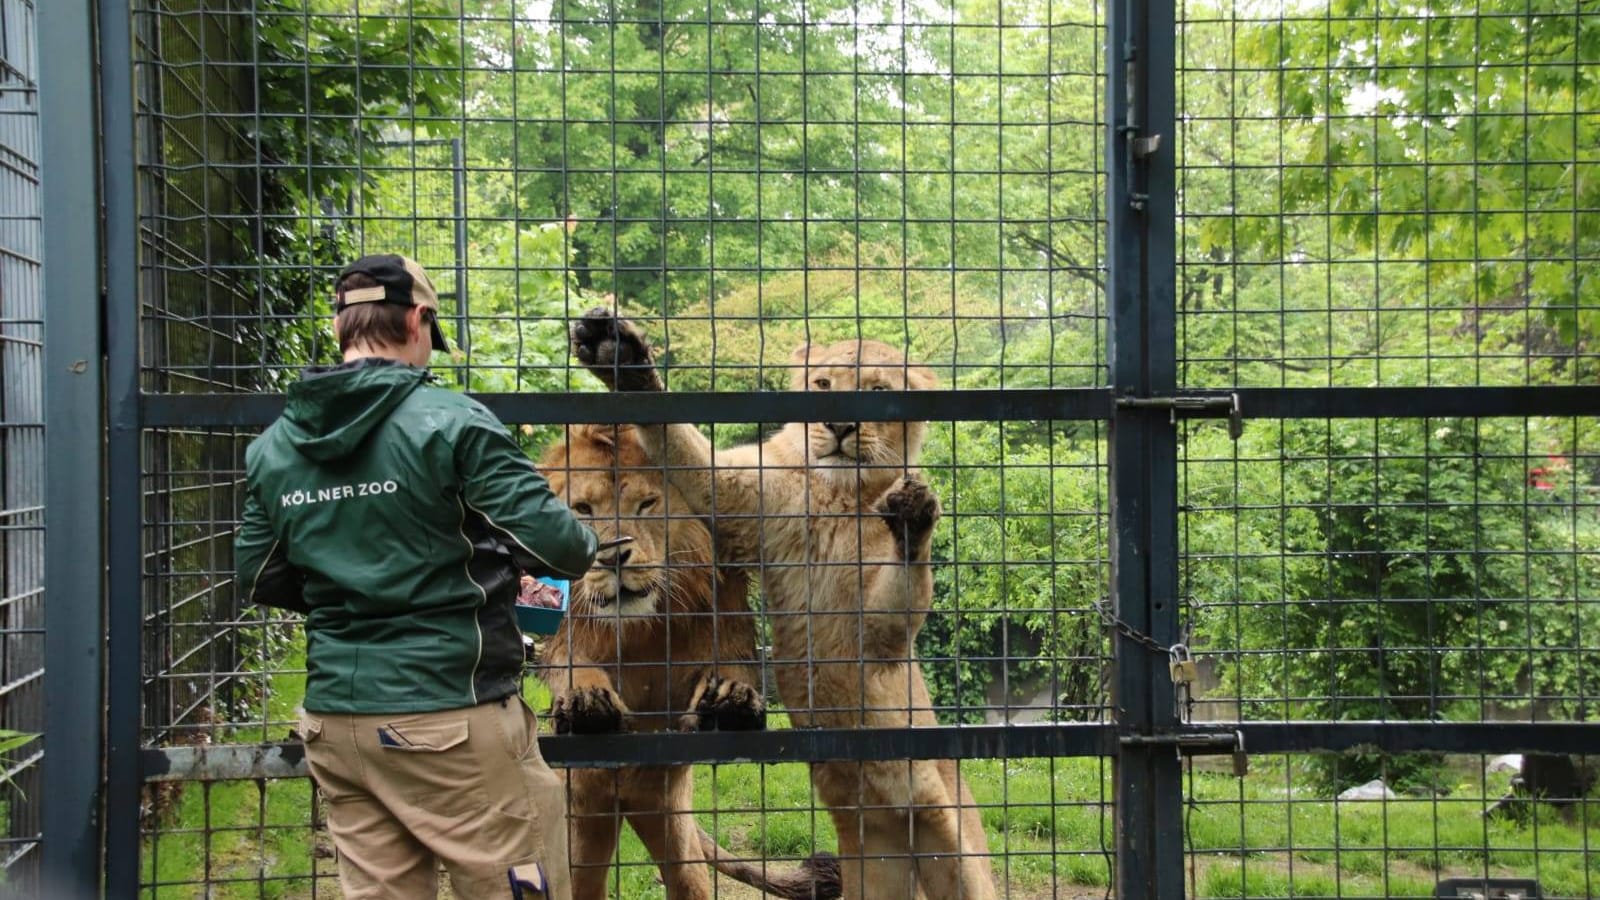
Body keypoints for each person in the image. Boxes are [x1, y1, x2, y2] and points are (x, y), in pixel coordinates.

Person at [234, 253, 597, 899]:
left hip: (338, 726)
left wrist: (357, 584)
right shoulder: (452, 423)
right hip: (450, 719)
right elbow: (562, 549)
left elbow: (260, 575)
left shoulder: (274, 447)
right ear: (417, 319)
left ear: (343, 326)